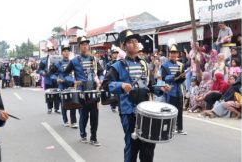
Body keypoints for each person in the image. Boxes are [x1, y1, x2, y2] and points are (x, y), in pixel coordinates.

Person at [105, 29, 163, 162]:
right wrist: (121, 85)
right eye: (130, 42)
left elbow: (150, 85)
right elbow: (106, 84)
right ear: (123, 46)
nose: (135, 44)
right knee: (132, 145)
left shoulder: (144, 65)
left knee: (148, 145)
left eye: (136, 41)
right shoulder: (117, 66)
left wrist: (161, 89)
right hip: (128, 111)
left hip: (146, 111)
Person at [64, 33, 102, 145]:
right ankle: (83, 135)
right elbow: (65, 74)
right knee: (83, 115)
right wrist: (73, 81)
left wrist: (100, 80)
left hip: (94, 92)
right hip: (81, 92)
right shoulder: (74, 61)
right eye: (83, 44)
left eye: (87, 44)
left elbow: (101, 73)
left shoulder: (94, 60)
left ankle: (94, 138)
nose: (85, 46)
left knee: (95, 116)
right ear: (79, 46)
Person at [160, 39, 187, 135]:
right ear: (169, 54)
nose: (173, 55)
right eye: (172, 53)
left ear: (178, 54)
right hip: (169, 90)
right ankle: (169, 128)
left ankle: (179, 128)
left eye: (175, 53)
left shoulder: (181, 65)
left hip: (179, 91)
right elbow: (164, 78)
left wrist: (182, 77)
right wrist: (174, 76)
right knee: (170, 110)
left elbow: (183, 78)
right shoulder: (164, 65)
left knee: (180, 110)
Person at [56, 40, 77, 128]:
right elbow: (53, 74)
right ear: (62, 53)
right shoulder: (58, 64)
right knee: (64, 104)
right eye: (64, 51)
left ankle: (73, 121)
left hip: (72, 85)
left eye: (68, 51)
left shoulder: (73, 62)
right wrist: (57, 79)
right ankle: (65, 120)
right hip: (62, 86)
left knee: (74, 103)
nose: (66, 52)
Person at [38, 42, 61, 113]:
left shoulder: (58, 59)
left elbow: (61, 68)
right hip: (48, 79)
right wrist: (43, 73)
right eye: (50, 51)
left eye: (52, 51)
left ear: (54, 51)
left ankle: (57, 108)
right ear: (48, 52)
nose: (51, 52)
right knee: (49, 94)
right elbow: (39, 70)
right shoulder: (44, 60)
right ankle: (49, 108)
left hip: (56, 79)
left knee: (57, 93)